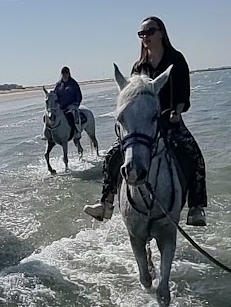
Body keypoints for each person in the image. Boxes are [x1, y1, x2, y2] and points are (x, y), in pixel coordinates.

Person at [84, 16, 207, 225]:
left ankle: (196, 208)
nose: (145, 37)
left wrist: (177, 111)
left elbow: (183, 93)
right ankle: (106, 203)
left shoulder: (176, 60)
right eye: (142, 33)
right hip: (141, 126)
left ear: (161, 33)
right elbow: (129, 96)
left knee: (194, 155)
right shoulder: (138, 66)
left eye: (150, 32)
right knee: (112, 155)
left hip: (169, 120)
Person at [54, 66, 83, 138]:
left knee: (74, 114)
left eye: (66, 72)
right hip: (61, 106)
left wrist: (76, 103)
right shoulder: (58, 85)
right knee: (50, 115)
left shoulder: (73, 83)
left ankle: (77, 131)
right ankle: (48, 133)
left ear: (69, 73)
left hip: (72, 105)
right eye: (63, 72)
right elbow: (55, 95)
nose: (65, 74)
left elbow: (78, 95)